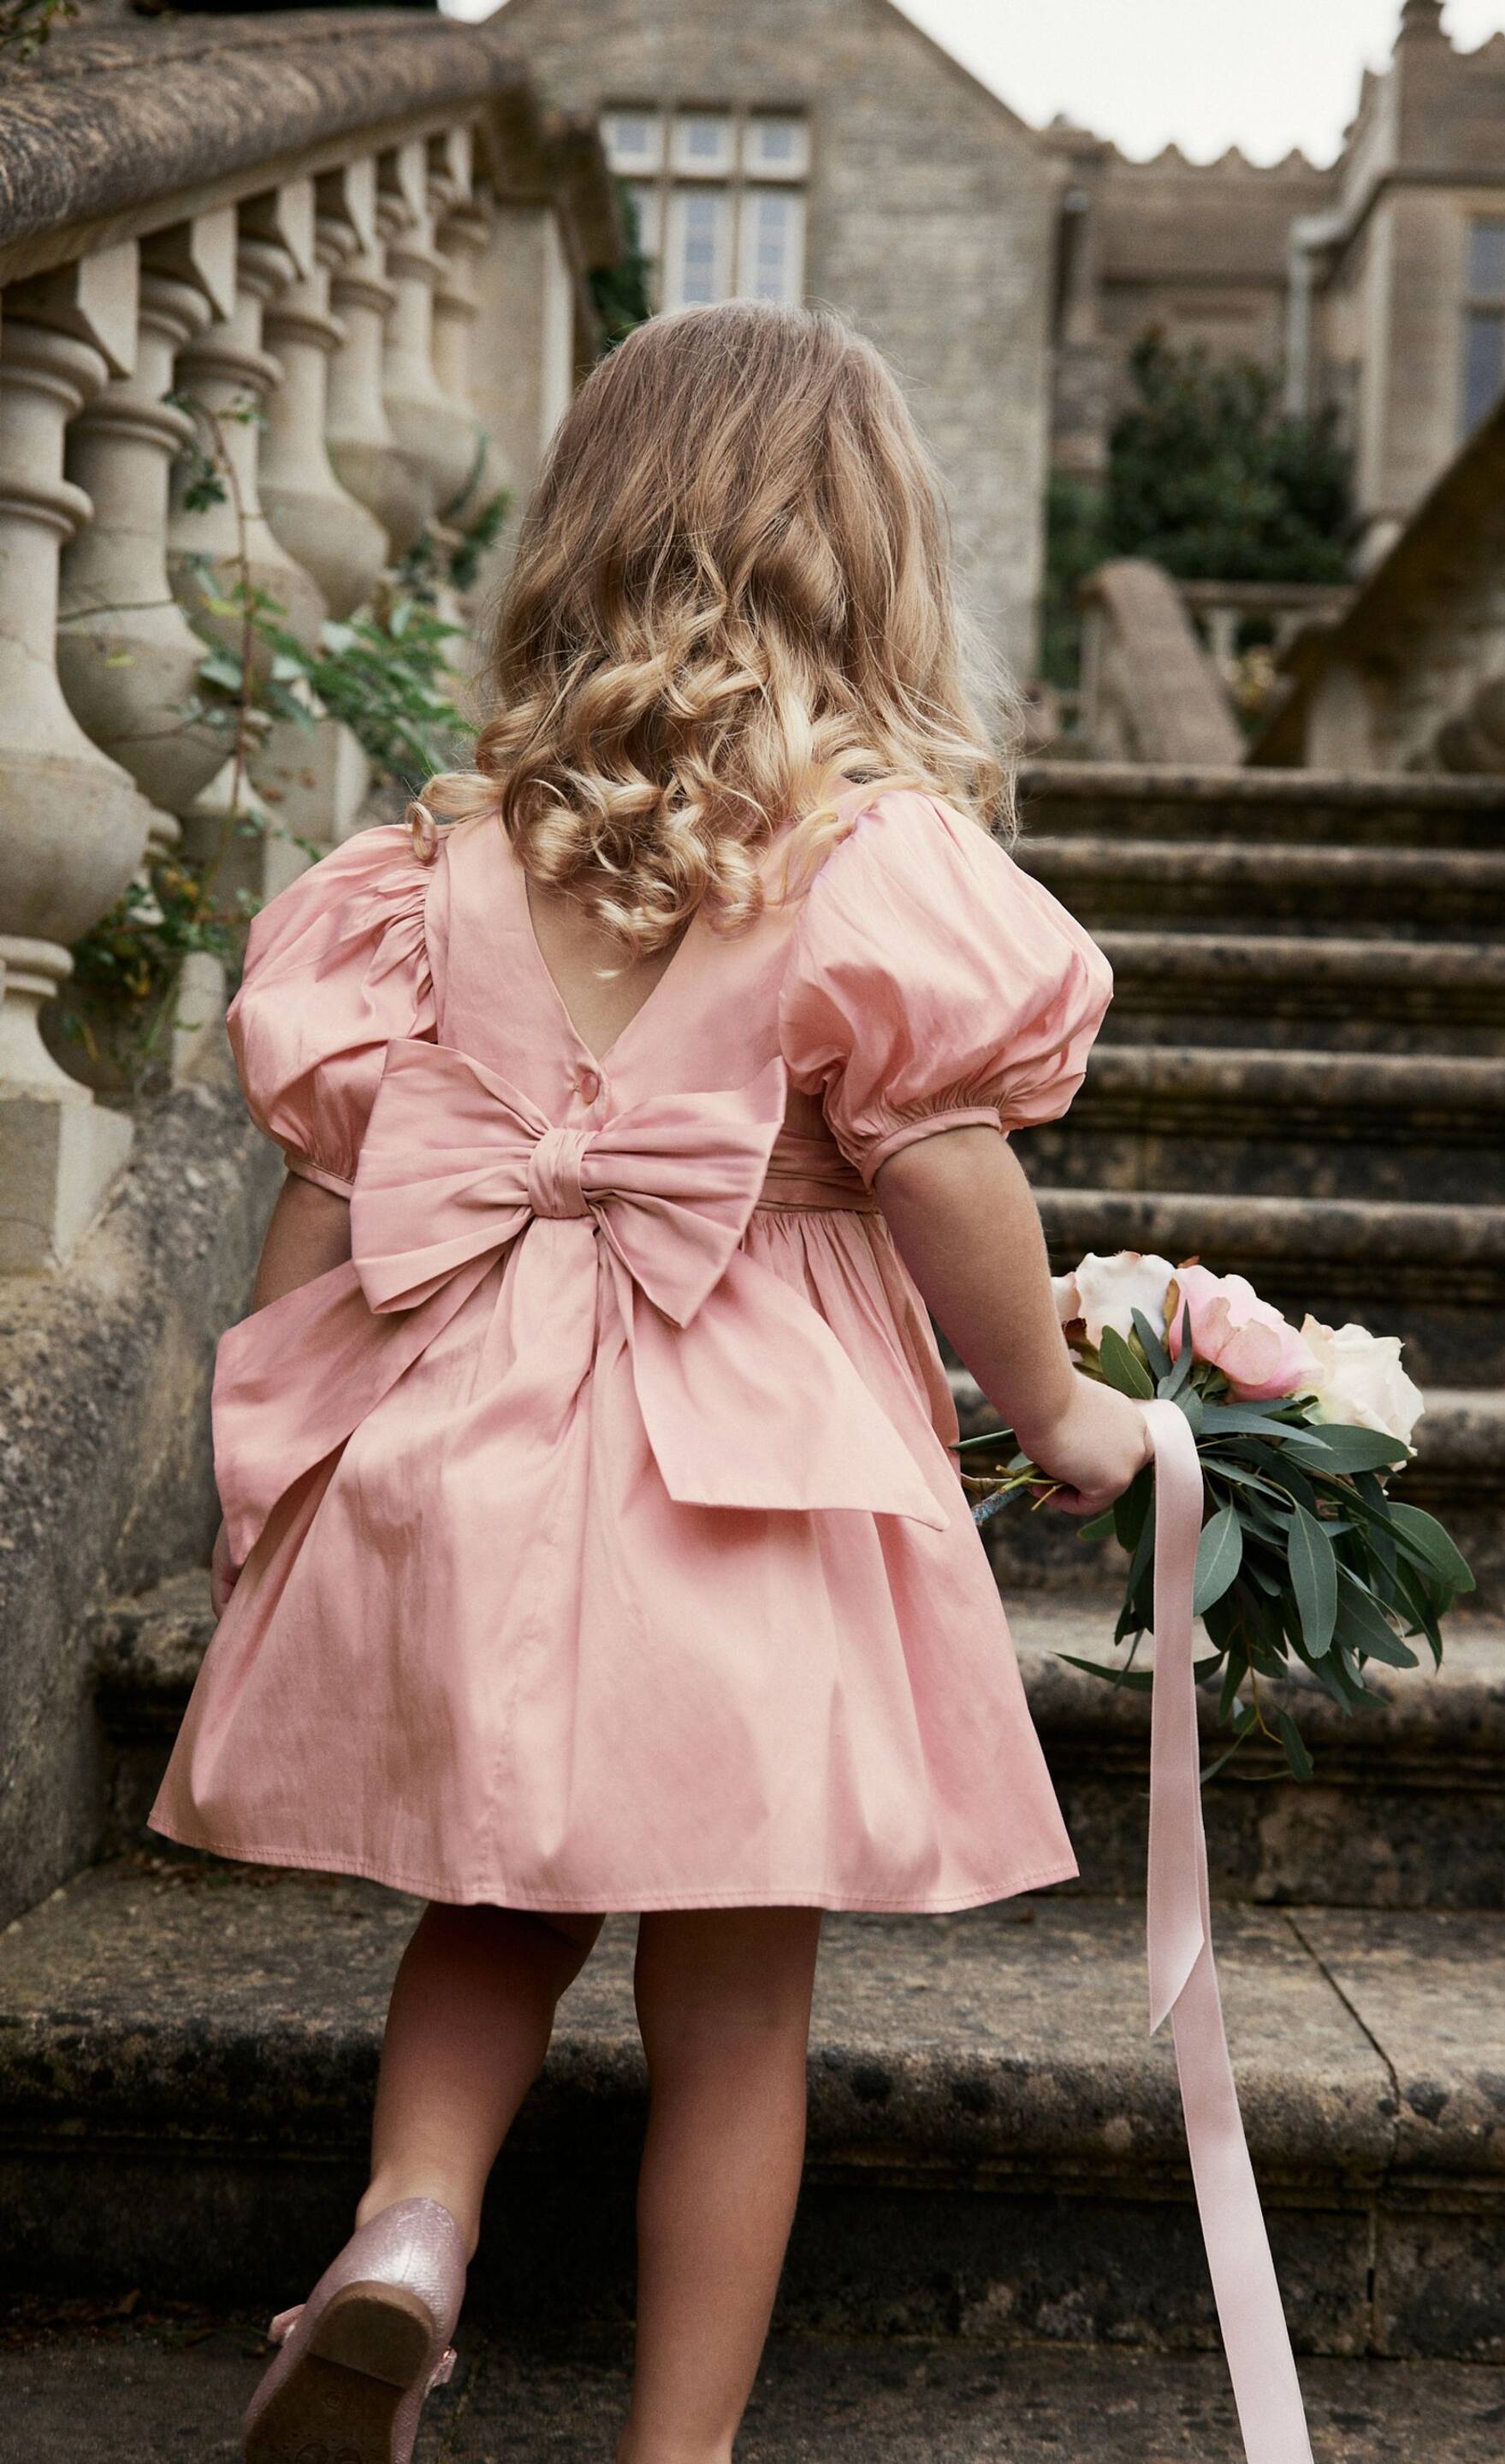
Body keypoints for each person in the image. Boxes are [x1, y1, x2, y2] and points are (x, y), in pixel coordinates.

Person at [151, 299, 1152, 2464]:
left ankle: (409, 2233)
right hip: (746, 1451)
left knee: (492, 1904)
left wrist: (275, 1464)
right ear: (869, 559)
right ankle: (675, 2457)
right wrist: (1059, 1405)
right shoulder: (870, 858)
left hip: (474, 1425)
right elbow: (942, 1162)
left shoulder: (430, 869)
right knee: (733, 2010)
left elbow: (332, 1191)